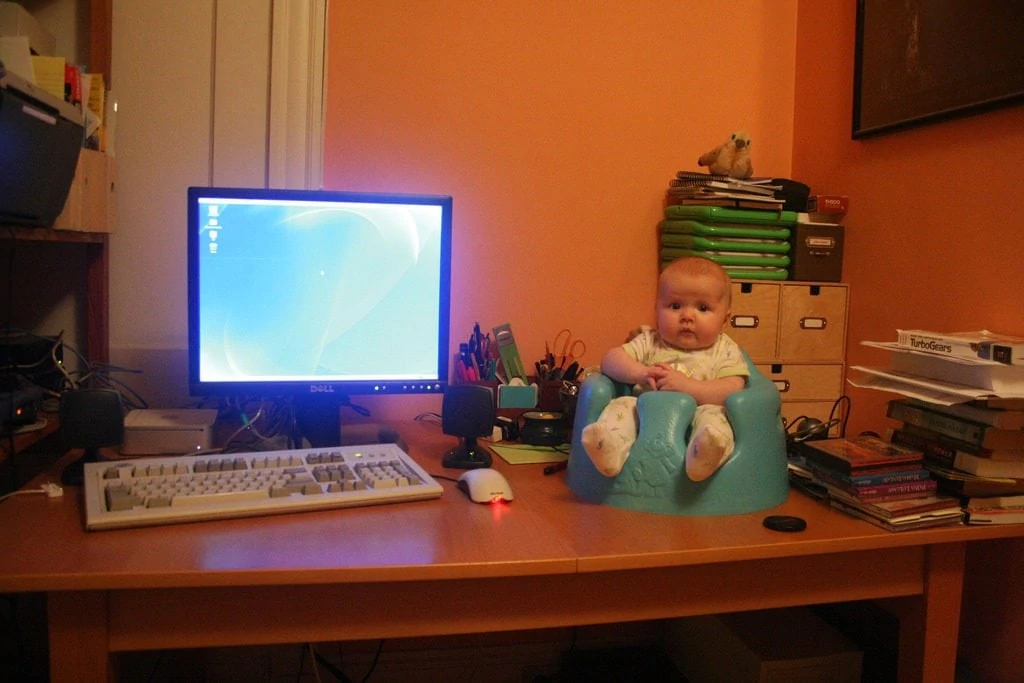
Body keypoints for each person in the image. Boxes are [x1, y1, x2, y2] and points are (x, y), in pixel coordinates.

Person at [580, 256, 748, 481]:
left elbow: (734, 388)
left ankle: (705, 456)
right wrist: (640, 372)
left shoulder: (724, 349)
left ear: (724, 319)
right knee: (622, 406)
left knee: (715, 419)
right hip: (646, 414)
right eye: (675, 306)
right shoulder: (650, 341)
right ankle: (609, 450)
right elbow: (611, 359)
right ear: (657, 310)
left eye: (703, 308)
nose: (687, 316)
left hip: (699, 412)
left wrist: (690, 387)